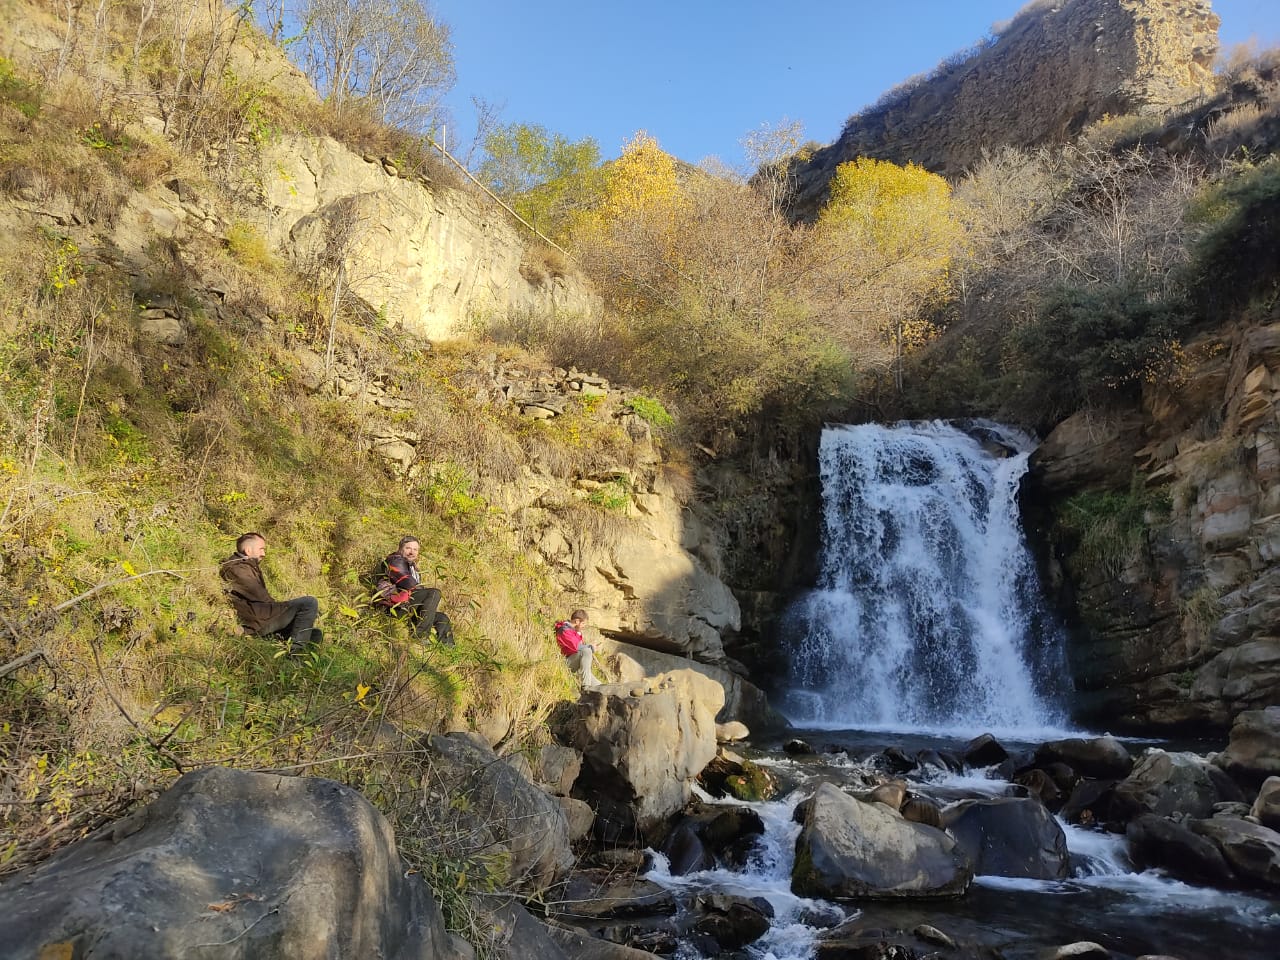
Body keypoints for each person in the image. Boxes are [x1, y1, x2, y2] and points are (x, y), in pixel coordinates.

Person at [220, 532, 322, 658]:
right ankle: (295, 658)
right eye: (261, 549)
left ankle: (300, 665)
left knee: (314, 634)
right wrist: (284, 608)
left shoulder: (247, 567)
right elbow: (260, 597)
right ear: (248, 550)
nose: (264, 554)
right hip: (258, 621)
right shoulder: (236, 568)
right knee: (309, 603)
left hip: (264, 616)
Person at [376, 536, 454, 646]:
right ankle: (420, 635)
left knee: (442, 618)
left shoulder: (413, 568)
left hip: (407, 606)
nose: (412, 552)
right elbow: (408, 583)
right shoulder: (395, 561)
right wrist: (425, 593)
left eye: (415, 549)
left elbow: (415, 590)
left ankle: (448, 648)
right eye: (408, 548)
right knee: (434, 593)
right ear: (400, 549)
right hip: (393, 607)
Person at [555, 608, 602, 688]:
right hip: (566, 663)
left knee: (600, 685)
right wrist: (591, 647)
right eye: (583, 623)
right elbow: (576, 647)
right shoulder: (564, 630)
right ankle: (585, 687)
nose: (584, 626)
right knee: (587, 651)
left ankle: (597, 687)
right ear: (577, 621)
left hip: (574, 663)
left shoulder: (574, 632)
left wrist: (579, 634)